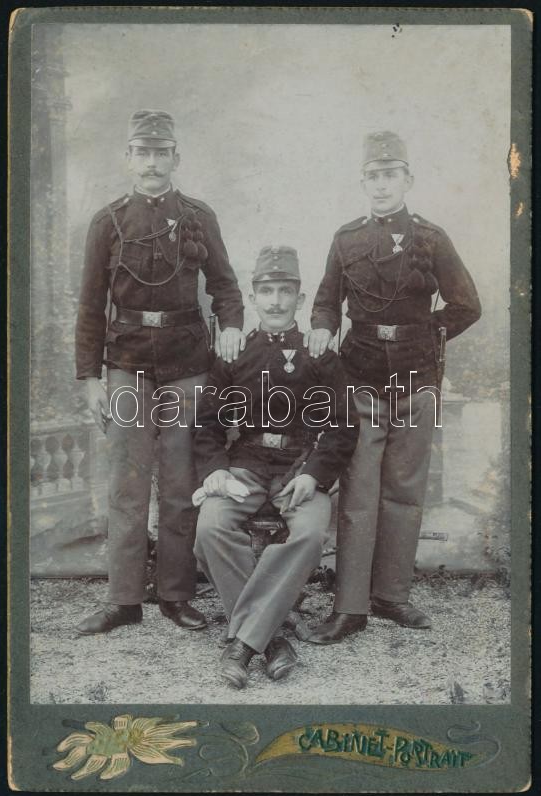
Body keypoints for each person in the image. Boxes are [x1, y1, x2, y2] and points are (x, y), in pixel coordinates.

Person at [306, 131, 482, 644]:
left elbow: (467, 305)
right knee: (359, 493)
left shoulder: (431, 238)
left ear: (408, 180)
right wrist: (322, 326)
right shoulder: (346, 239)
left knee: (404, 491)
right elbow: (326, 299)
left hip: (415, 376)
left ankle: (391, 596)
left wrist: (427, 334)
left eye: (390, 175)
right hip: (359, 374)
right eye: (373, 176)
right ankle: (350, 607)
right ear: (363, 182)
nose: (381, 184)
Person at [75, 109, 244, 634]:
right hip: (126, 365)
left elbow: (225, 285)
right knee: (127, 484)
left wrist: (232, 326)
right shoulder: (107, 222)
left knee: (179, 483)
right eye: (142, 152)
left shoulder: (197, 216)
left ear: (176, 158)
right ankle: (123, 599)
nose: (151, 163)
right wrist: (90, 377)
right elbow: (90, 305)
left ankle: (176, 594)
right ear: (128, 158)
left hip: (186, 365)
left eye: (161, 153)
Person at [193, 246, 358, 687]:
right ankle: (273, 639)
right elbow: (206, 422)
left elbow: (344, 425)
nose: (276, 301)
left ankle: (244, 644)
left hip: (299, 470)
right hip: (245, 467)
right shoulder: (234, 353)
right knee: (210, 526)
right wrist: (216, 470)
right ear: (253, 297)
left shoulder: (319, 355)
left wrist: (314, 475)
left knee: (309, 534)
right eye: (267, 291)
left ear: (300, 299)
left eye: (285, 291)